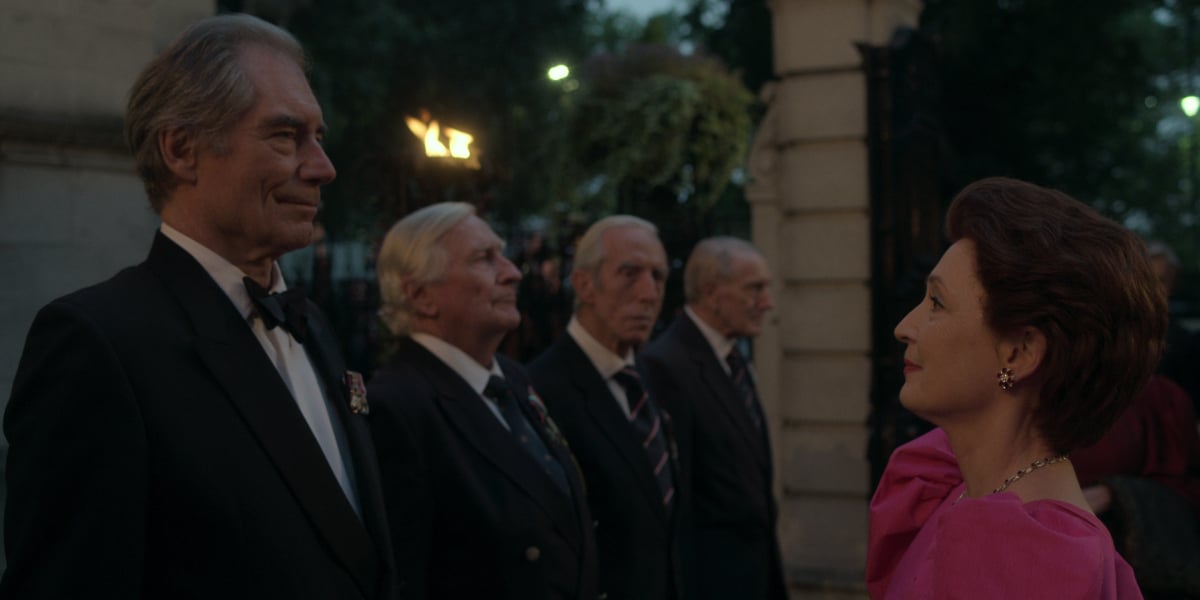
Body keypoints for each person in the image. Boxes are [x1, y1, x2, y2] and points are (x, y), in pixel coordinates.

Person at [1, 14, 394, 599]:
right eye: (286, 137)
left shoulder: (312, 324)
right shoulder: (97, 343)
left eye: (318, 137)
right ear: (183, 150)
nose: (322, 168)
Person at [867, 177, 1162, 598]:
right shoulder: (951, 486)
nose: (903, 328)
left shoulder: (1031, 558)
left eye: (936, 302)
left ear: (1019, 353)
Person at [367, 202, 598, 599]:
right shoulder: (397, 405)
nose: (512, 273)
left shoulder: (511, 377)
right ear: (421, 295)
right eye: (484, 259)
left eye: (502, 255)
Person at [528, 215, 683, 600]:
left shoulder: (658, 381)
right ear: (584, 284)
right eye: (629, 273)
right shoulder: (540, 391)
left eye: (658, 277)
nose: (648, 293)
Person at [641, 236, 786, 600]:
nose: (766, 303)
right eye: (754, 289)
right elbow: (680, 502)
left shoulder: (732, 357)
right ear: (711, 292)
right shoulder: (667, 365)